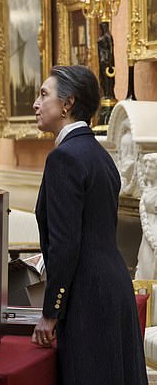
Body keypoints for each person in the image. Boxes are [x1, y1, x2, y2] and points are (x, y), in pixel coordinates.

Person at [31, 65, 147, 384]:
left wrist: (50, 312)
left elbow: (66, 246)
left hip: (87, 301)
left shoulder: (64, 158)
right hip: (115, 290)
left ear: (67, 103)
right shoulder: (99, 154)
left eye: (44, 94)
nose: (36, 104)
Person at [135, 153, 157, 279]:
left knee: (150, 264)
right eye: (146, 167)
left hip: (154, 232)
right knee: (145, 262)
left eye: (151, 168)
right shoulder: (148, 188)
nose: (147, 171)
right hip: (148, 231)